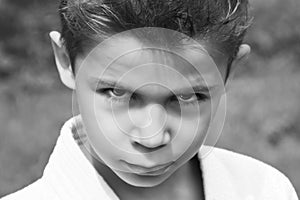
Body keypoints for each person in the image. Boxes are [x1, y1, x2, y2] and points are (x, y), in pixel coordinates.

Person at [2, 0, 299, 199]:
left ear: (230, 71)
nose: (152, 136)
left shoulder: (266, 190)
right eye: (116, 93)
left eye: (187, 96)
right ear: (66, 61)